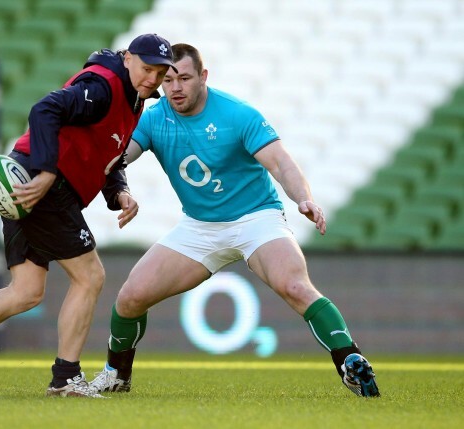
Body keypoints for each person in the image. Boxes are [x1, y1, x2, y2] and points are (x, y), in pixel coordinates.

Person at [89, 43, 380, 398]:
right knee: (130, 298)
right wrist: (122, 192)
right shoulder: (154, 117)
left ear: (203, 77)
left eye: (184, 78)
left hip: (256, 219)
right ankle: (117, 376)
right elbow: (116, 160)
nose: (175, 87)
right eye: (169, 80)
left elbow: (281, 163)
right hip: (199, 227)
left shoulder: (237, 114)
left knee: (295, 287)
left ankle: (350, 361)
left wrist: (303, 197)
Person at [0, 34, 178, 398]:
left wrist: (119, 192)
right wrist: (47, 171)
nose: (153, 78)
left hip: (28, 182)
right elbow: (44, 109)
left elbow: (106, 153)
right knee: (90, 276)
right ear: (127, 59)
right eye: (148, 68)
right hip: (42, 185)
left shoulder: (131, 97)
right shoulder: (102, 87)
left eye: (160, 72)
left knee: (26, 292)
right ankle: (66, 378)